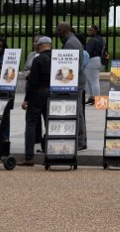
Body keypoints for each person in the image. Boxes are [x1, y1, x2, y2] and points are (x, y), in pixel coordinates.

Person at [17, 36, 53, 166]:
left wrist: (27, 99)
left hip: (39, 92)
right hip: (52, 93)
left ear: (39, 46)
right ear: (51, 45)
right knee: (50, 123)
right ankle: (51, 153)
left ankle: (29, 157)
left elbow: (32, 81)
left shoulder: (38, 59)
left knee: (31, 123)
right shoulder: (57, 58)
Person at [56, 21, 88, 150]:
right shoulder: (72, 41)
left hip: (74, 81)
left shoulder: (70, 44)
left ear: (63, 31)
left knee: (77, 110)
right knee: (77, 109)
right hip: (77, 79)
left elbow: (69, 66)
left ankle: (80, 140)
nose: (57, 34)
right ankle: (80, 139)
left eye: (58, 31)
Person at [84, 24, 105, 105]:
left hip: (92, 61)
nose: (89, 31)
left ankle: (96, 99)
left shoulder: (92, 40)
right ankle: (92, 97)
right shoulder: (101, 39)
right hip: (99, 60)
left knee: (94, 81)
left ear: (95, 31)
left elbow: (87, 52)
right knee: (90, 80)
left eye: (91, 30)